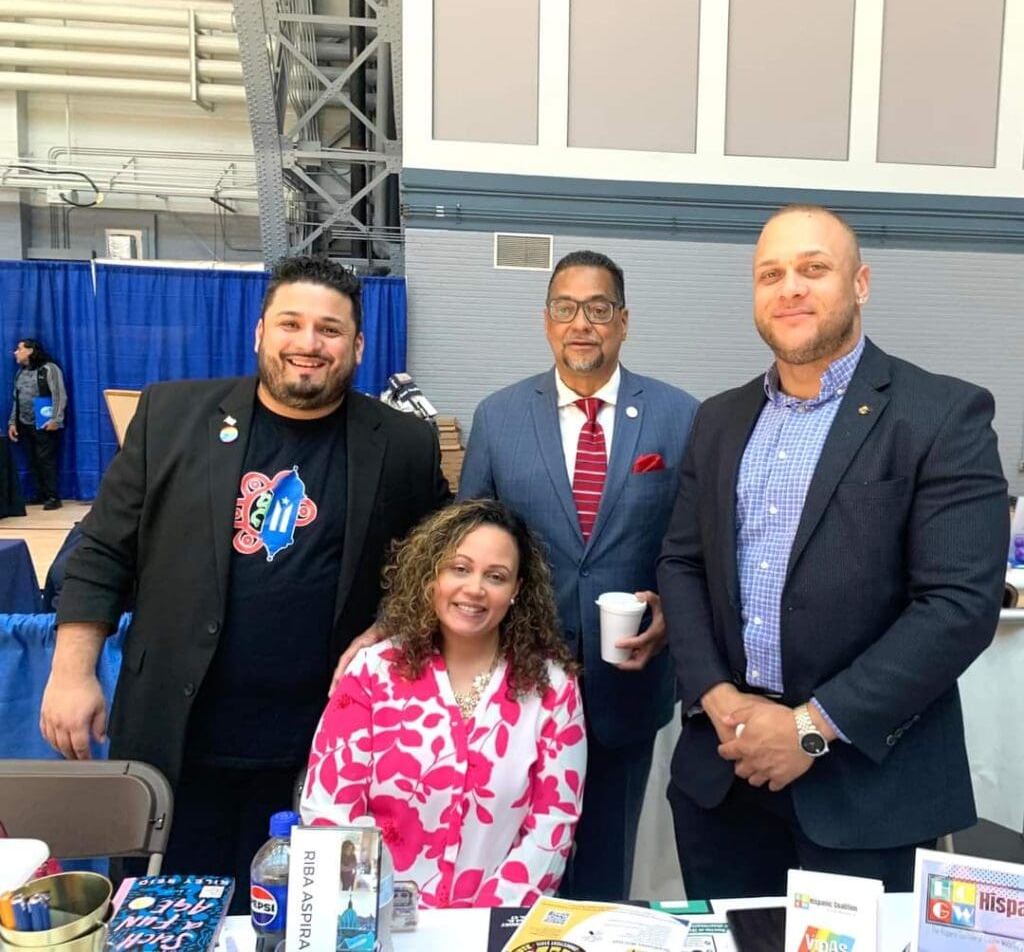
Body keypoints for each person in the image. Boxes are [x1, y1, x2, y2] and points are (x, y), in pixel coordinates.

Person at [40, 255, 449, 910]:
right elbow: (102, 550)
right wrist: (71, 670)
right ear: (260, 332)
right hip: (177, 745)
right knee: (164, 922)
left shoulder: (401, 443)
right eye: (292, 323)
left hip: (319, 757)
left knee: (301, 925)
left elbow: (434, 564)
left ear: (359, 345)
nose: (309, 344)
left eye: (330, 329)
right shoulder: (172, 417)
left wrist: (390, 624)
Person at [657, 204, 1009, 897]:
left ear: (861, 283)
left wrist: (810, 729)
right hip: (724, 778)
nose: (790, 288)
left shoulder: (941, 415)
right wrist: (720, 698)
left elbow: (958, 605)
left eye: (813, 269)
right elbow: (682, 563)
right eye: (771, 274)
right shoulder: (719, 420)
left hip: (867, 791)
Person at [455, 250, 698, 901]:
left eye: (597, 309)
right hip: (520, 679)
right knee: (512, 853)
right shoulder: (500, 418)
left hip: (628, 679)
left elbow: (696, 543)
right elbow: (465, 544)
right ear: (546, 321)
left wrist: (674, 608)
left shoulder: (680, 417)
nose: (581, 324)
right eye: (566, 308)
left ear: (623, 321)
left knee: (605, 862)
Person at [302, 499, 586, 908]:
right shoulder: (372, 672)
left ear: (517, 591)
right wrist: (371, 914)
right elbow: (330, 812)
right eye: (460, 568)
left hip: (494, 929)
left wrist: (480, 927)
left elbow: (552, 827)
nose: (475, 588)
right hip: (376, 925)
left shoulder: (553, 688)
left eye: (496, 576)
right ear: (431, 574)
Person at [8, 338, 68, 509]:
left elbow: (59, 394)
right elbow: (16, 399)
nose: (15, 352)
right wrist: (13, 422)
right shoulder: (20, 372)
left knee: (45, 460)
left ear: (30, 351)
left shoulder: (49, 369)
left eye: (19, 349)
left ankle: (52, 496)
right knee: (33, 460)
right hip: (24, 423)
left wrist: (56, 419)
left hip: (44, 422)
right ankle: (41, 493)